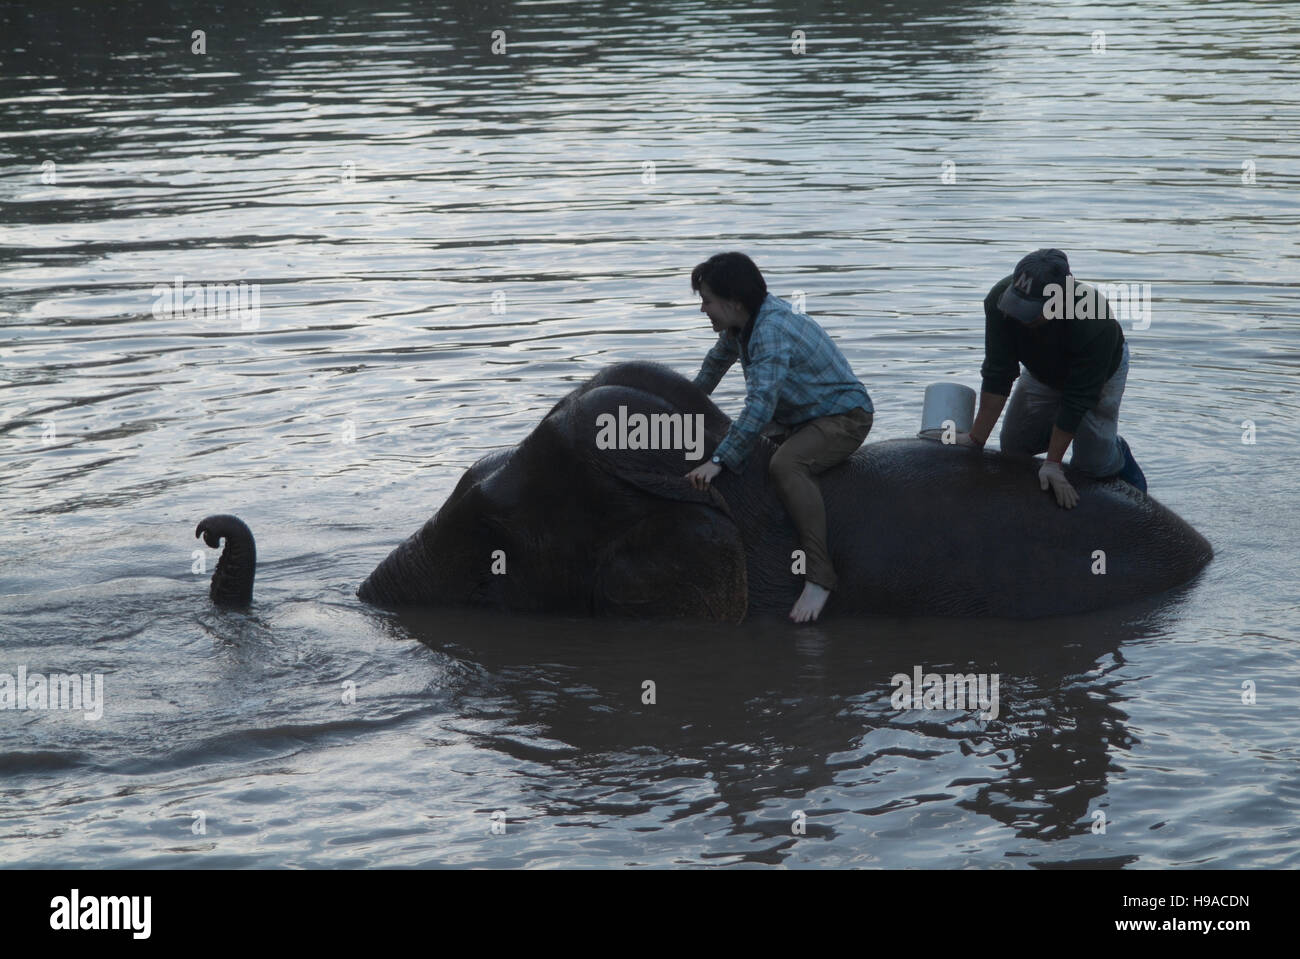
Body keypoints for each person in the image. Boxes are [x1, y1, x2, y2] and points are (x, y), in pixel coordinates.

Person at [683, 252, 873, 623]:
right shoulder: (741, 325)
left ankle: (819, 576)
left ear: (733, 302)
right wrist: (678, 407)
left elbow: (759, 406)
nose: (703, 309)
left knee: (786, 465)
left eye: (707, 300)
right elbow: (712, 369)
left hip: (842, 418)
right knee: (737, 442)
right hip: (799, 417)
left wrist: (718, 461)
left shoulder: (771, 331)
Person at [953, 248, 1146, 506]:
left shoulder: (1093, 317)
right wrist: (975, 440)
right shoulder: (998, 301)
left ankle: (1116, 450)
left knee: (1092, 465)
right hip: (1040, 371)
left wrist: (1053, 463)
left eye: (1030, 310)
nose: (1018, 316)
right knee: (1014, 447)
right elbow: (998, 374)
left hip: (1100, 376)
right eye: (1017, 304)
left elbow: (1079, 396)